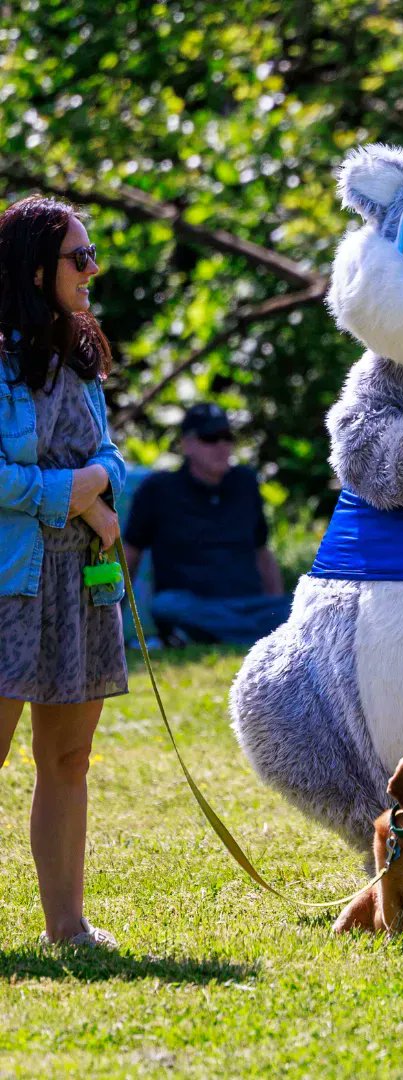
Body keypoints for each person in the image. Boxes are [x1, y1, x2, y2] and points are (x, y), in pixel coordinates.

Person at [0, 195, 126, 948]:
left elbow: (109, 453)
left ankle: (66, 927)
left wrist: (102, 494)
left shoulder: (81, 353)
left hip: (82, 581)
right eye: (79, 257)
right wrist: (69, 496)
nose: (92, 269)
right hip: (10, 580)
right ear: (35, 267)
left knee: (69, 758)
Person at [123, 402, 290, 645]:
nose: (222, 446)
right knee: (166, 605)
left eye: (227, 437)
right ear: (186, 444)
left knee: (297, 606)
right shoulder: (158, 490)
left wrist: (276, 603)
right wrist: (112, 618)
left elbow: (262, 551)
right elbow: (130, 555)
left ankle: (197, 636)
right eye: (210, 437)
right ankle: (260, 633)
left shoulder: (246, 483)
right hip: (191, 605)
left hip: (248, 604)